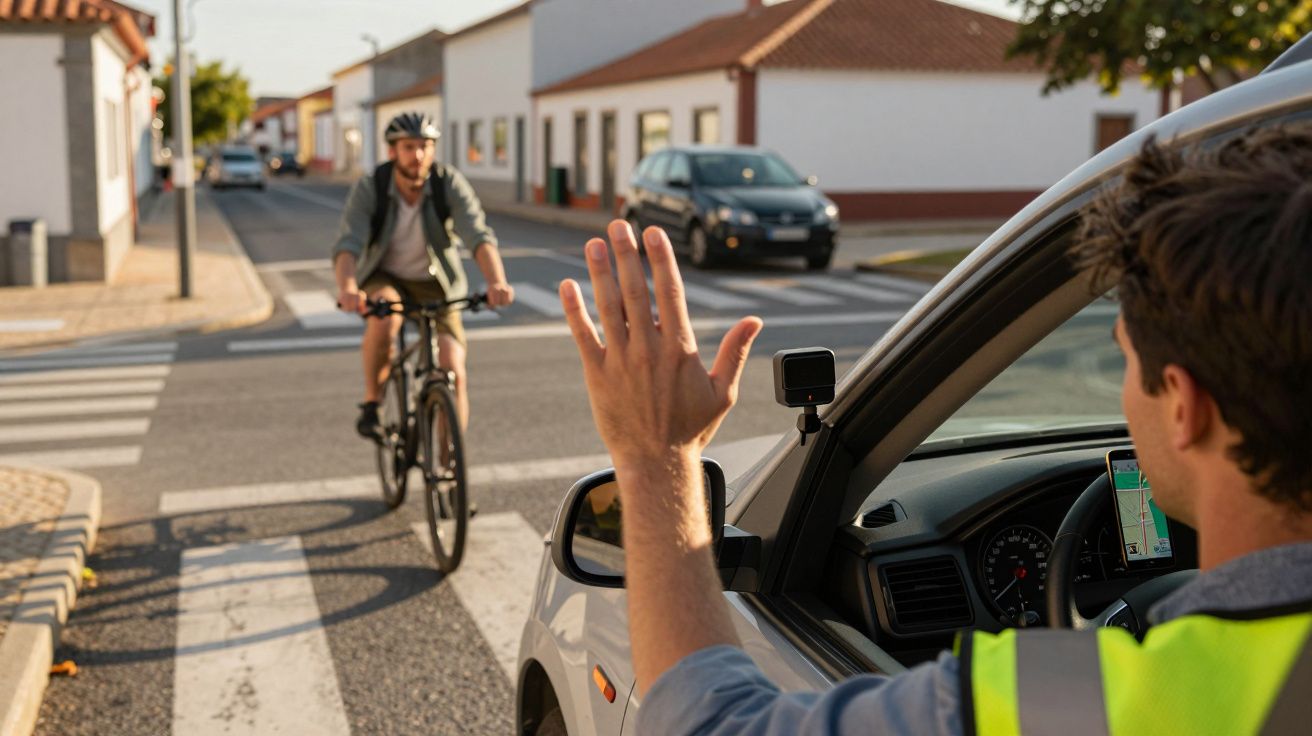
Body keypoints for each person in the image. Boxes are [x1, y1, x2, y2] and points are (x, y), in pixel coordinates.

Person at [556, 123, 1312, 735]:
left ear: (1184, 406)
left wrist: (656, 456)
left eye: (1125, 361)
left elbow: (708, 725)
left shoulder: (1070, 705)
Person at [333, 112, 514, 440]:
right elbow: (349, 244)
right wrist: (347, 287)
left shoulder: (448, 183)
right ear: (392, 151)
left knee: (453, 368)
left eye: (425, 146)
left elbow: (478, 236)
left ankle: (449, 471)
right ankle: (372, 403)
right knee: (385, 319)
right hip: (385, 276)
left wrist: (497, 281)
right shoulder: (371, 187)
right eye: (408, 147)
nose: (418, 155)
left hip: (438, 283)